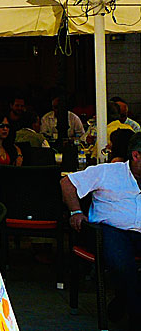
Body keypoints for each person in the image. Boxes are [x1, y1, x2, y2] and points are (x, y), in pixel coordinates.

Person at [61, 133, 141, 323]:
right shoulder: (108, 171)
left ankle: (121, 303)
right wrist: (75, 212)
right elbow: (67, 183)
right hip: (108, 232)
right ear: (136, 155)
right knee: (121, 260)